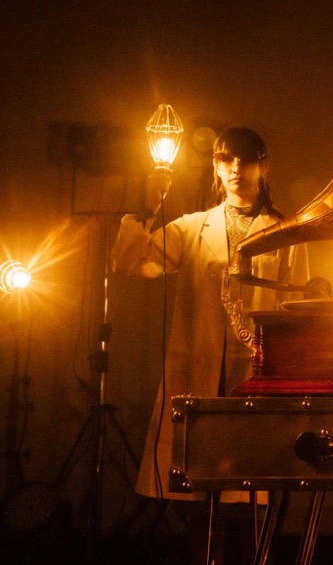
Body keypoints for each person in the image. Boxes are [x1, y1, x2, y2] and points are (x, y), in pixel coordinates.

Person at [112, 127, 308, 558]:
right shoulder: (192, 227)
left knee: (252, 496)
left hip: (256, 375)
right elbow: (131, 263)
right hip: (200, 371)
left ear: (264, 166)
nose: (236, 168)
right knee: (199, 495)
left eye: (246, 159)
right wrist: (147, 207)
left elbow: (296, 312)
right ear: (216, 168)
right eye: (226, 160)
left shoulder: (286, 231)